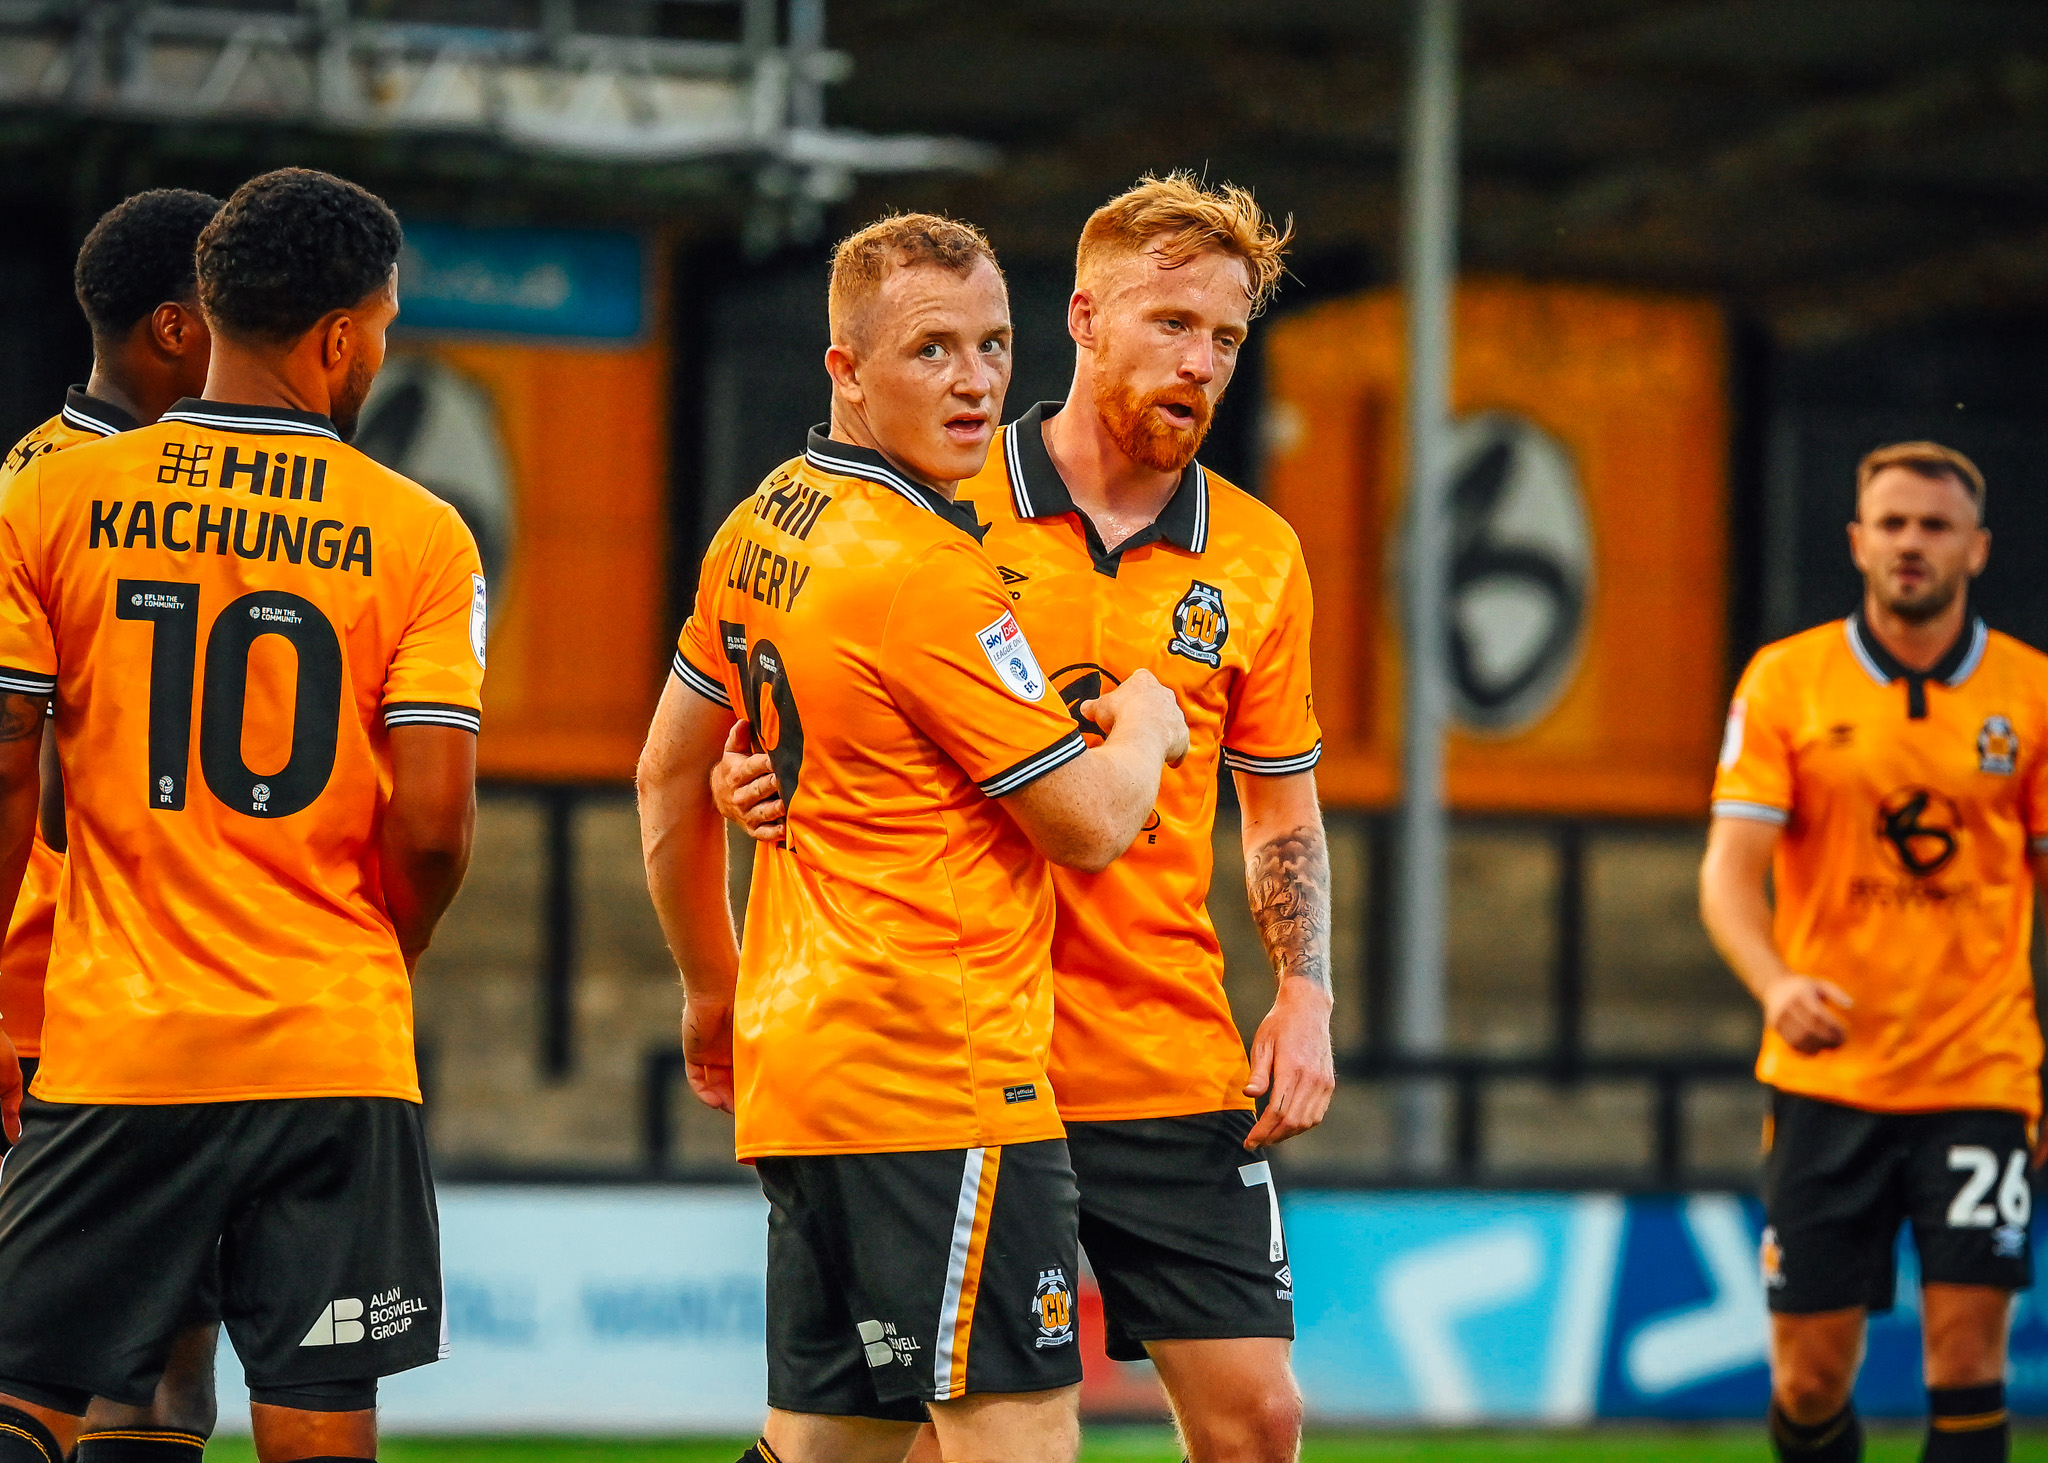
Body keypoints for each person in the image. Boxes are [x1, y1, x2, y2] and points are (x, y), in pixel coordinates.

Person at [718, 174, 1331, 1463]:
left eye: (1224, 338)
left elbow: (1279, 800)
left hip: (1161, 1047)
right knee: (953, 1433)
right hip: (973, 1055)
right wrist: (758, 772)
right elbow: (793, 688)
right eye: (1171, 323)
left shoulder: (1261, 556)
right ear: (1084, 317)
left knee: (1261, 1418)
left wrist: (1304, 990)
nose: (1199, 363)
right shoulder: (938, 502)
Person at [636, 211, 1188, 1463]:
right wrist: (1146, 730)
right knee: (1021, 1436)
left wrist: (714, 990)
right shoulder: (923, 572)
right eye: (931, 350)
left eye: (993, 345)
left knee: (824, 1446)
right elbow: (1091, 827)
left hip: (807, 1076)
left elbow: (666, 771)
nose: (977, 381)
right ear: (843, 369)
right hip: (941, 1078)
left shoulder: (764, 519)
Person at [0, 167, 484, 1463]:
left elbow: (7, 765)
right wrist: (390, 944)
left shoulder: (52, 496)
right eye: (381, 326)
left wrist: (7, 1006)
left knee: (34, 1387)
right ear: (342, 336)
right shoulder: (422, 533)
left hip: (119, 1045)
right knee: (308, 1420)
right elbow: (434, 823)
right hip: (332, 1046)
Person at [1700, 441, 2044, 1463]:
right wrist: (1775, 982)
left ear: (1975, 548)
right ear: (1855, 540)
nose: (1908, 544)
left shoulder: (2028, 692)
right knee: (1807, 1375)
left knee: (1964, 1351)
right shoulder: (1785, 680)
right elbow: (1726, 874)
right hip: (1827, 1073)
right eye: (1889, 523)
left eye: (1932, 526)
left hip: (1978, 1067)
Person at [0, 184, 223, 1463]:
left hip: (101, 991)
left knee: (118, 1370)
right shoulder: (87, 493)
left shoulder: (37, 472)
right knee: (117, 1377)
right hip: (90, 994)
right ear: (181, 330)